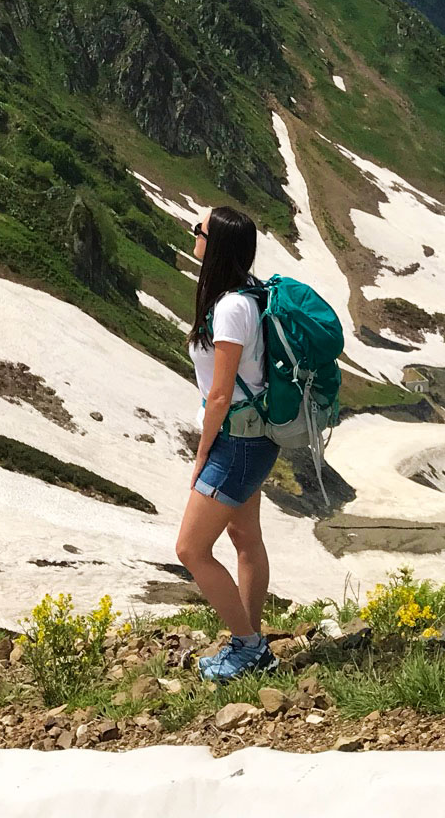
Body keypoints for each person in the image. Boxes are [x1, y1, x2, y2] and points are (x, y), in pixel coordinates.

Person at [175, 205, 280, 682]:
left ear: (214, 243)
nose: (192, 234)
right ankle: (251, 643)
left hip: (236, 443)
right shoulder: (236, 298)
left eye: (198, 230)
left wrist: (202, 455)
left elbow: (219, 393)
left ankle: (248, 646)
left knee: (191, 549)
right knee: (244, 538)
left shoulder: (232, 307)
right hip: (250, 439)